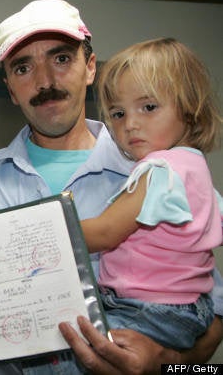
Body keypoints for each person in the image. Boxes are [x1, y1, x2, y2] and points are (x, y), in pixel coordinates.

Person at [0, 0, 223, 374]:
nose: (44, 82)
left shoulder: (150, 169)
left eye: (61, 59)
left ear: (90, 68)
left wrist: (168, 364)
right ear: (10, 89)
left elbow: (210, 313)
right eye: (23, 67)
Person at [80, 37, 222, 350]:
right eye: (117, 114)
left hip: (148, 310)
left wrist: (47, 224)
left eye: (148, 107)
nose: (130, 124)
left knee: (70, 353)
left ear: (189, 107)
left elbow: (105, 233)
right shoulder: (194, 169)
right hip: (191, 309)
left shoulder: (161, 170)